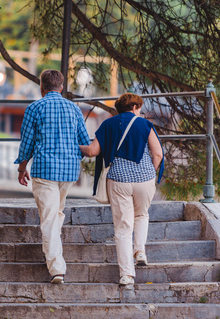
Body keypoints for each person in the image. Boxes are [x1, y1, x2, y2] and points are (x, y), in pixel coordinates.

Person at [14, 69, 91, 284]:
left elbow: (27, 143)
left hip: (45, 170)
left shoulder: (34, 108)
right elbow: (84, 141)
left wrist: (22, 168)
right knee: (56, 213)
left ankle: (57, 268)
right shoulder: (74, 109)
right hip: (68, 172)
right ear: (61, 87)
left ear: (41, 87)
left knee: (49, 218)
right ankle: (53, 254)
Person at [80, 93, 164, 286]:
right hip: (144, 179)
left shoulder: (108, 124)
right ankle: (140, 251)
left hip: (118, 179)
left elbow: (92, 151)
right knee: (141, 215)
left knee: (123, 228)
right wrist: (149, 174)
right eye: (139, 107)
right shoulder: (144, 124)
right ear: (134, 107)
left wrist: (77, 147)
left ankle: (127, 276)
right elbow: (158, 153)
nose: (140, 110)